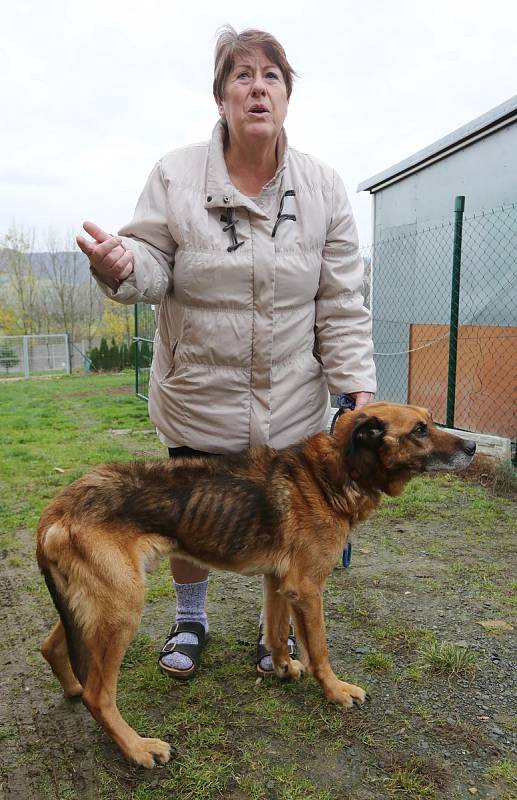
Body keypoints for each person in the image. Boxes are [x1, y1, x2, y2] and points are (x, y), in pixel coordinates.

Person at [76, 26, 376, 680]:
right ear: (220, 97)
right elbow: (150, 262)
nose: (257, 87)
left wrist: (355, 386)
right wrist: (122, 265)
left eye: (271, 75)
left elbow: (341, 298)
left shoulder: (323, 188)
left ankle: (275, 643)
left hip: (293, 402)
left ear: (287, 94)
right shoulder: (175, 175)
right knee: (190, 521)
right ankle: (190, 619)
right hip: (199, 397)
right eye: (242, 76)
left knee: (287, 530)